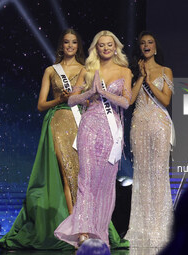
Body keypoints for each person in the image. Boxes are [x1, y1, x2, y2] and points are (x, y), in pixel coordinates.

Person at [0, 28, 85, 249]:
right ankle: (75, 230)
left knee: (81, 175)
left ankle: (85, 225)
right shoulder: (51, 71)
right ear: (61, 46)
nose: (70, 46)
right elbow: (40, 105)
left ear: (78, 46)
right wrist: (60, 100)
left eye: (74, 43)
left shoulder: (86, 70)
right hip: (58, 122)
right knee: (67, 173)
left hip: (80, 123)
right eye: (66, 42)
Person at [54, 30, 132, 248]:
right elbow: (72, 101)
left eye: (109, 45)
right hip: (89, 126)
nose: (105, 49)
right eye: (101, 45)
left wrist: (104, 93)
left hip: (111, 130)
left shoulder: (124, 71)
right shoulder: (88, 70)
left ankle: (100, 233)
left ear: (115, 47)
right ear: (95, 48)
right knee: (86, 179)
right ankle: (83, 233)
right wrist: (90, 93)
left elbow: (126, 102)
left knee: (105, 183)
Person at [125, 31, 174, 248]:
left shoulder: (165, 71)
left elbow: (165, 99)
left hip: (160, 123)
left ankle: (160, 227)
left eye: (150, 42)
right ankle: (143, 227)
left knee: (159, 173)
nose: (146, 45)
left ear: (155, 47)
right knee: (142, 174)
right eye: (142, 43)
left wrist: (149, 81)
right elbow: (130, 100)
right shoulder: (133, 72)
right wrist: (141, 77)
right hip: (139, 124)